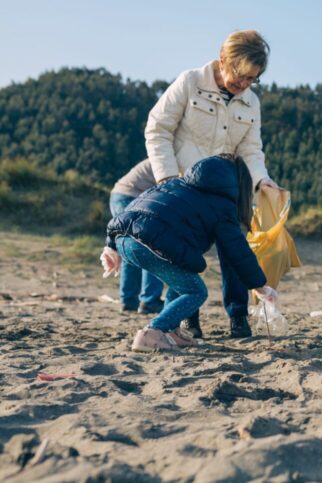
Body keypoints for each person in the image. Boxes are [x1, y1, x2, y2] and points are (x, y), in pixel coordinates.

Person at [144, 29, 277, 338]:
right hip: (185, 191)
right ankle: (190, 320)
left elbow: (250, 149)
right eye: (240, 77)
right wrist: (167, 178)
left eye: (252, 80)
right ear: (223, 60)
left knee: (235, 250)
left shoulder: (251, 102)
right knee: (185, 255)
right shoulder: (189, 82)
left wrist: (262, 180)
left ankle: (238, 316)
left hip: (228, 192)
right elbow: (158, 129)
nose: (244, 85)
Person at [101, 155, 276, 352]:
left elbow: (137, 205)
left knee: (183, 279)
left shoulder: (176, 183)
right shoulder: (223, 204)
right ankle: (153, 331)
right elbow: (237, 251)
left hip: (124, 238)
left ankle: (172, 332)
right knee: (196, 291)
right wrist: (259, 286)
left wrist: (111, 245)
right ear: (239, 183)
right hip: (151, 242)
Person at [109, 160, 164, 314]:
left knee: (131, 249)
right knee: (152, 247)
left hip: (122, 195)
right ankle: (149, 300)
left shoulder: (166, 153)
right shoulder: (169, 158)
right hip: (130, 196)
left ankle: (129, 301)